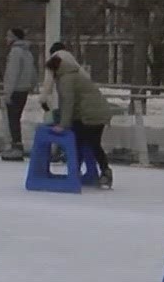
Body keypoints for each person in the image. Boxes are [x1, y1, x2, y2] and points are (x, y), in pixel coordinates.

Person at [46, 48, 114, 189]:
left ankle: (75, 172)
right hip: (97, 112)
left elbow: (68, 102)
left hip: (89, 115)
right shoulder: (74, 74)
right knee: (92, 143)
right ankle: (104, 172)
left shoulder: (65, 79)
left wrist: (63, 124)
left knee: (81, 142)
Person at [1, 28, 38, 155]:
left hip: (16, 89)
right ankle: (17, 144)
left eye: (9, 36)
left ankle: (16, 145)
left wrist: (8, 92)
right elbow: (33, 70)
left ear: (15, 37)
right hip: (24, 89)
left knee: (13, 118)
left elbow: (12, 73)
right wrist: (32, 85)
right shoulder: (27, 52)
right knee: (16, 117)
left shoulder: (15, 52)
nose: (6, 38)